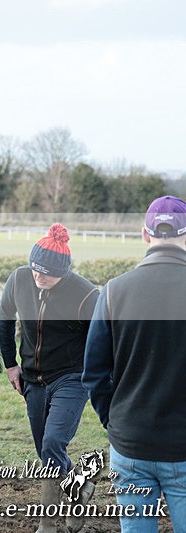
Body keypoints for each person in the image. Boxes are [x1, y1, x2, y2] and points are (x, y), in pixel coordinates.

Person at [83, 195, 186, 533]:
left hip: (129, 442)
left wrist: (114, 422)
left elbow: (94, 374)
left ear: (145, 235)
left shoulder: (113, 292)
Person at [0, 223, 99, 533]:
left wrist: (97, 378)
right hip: (31, 378)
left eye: (47, 273)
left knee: (54, 441)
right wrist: (11, 364)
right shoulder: (19, 279)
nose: (39, 276)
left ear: (64, 273)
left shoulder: (86, 295)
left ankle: (48, 524)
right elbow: (4, 317)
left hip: (71, 377)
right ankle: (78, 488)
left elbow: (103, 339)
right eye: (35, 268)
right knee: (46, 449)